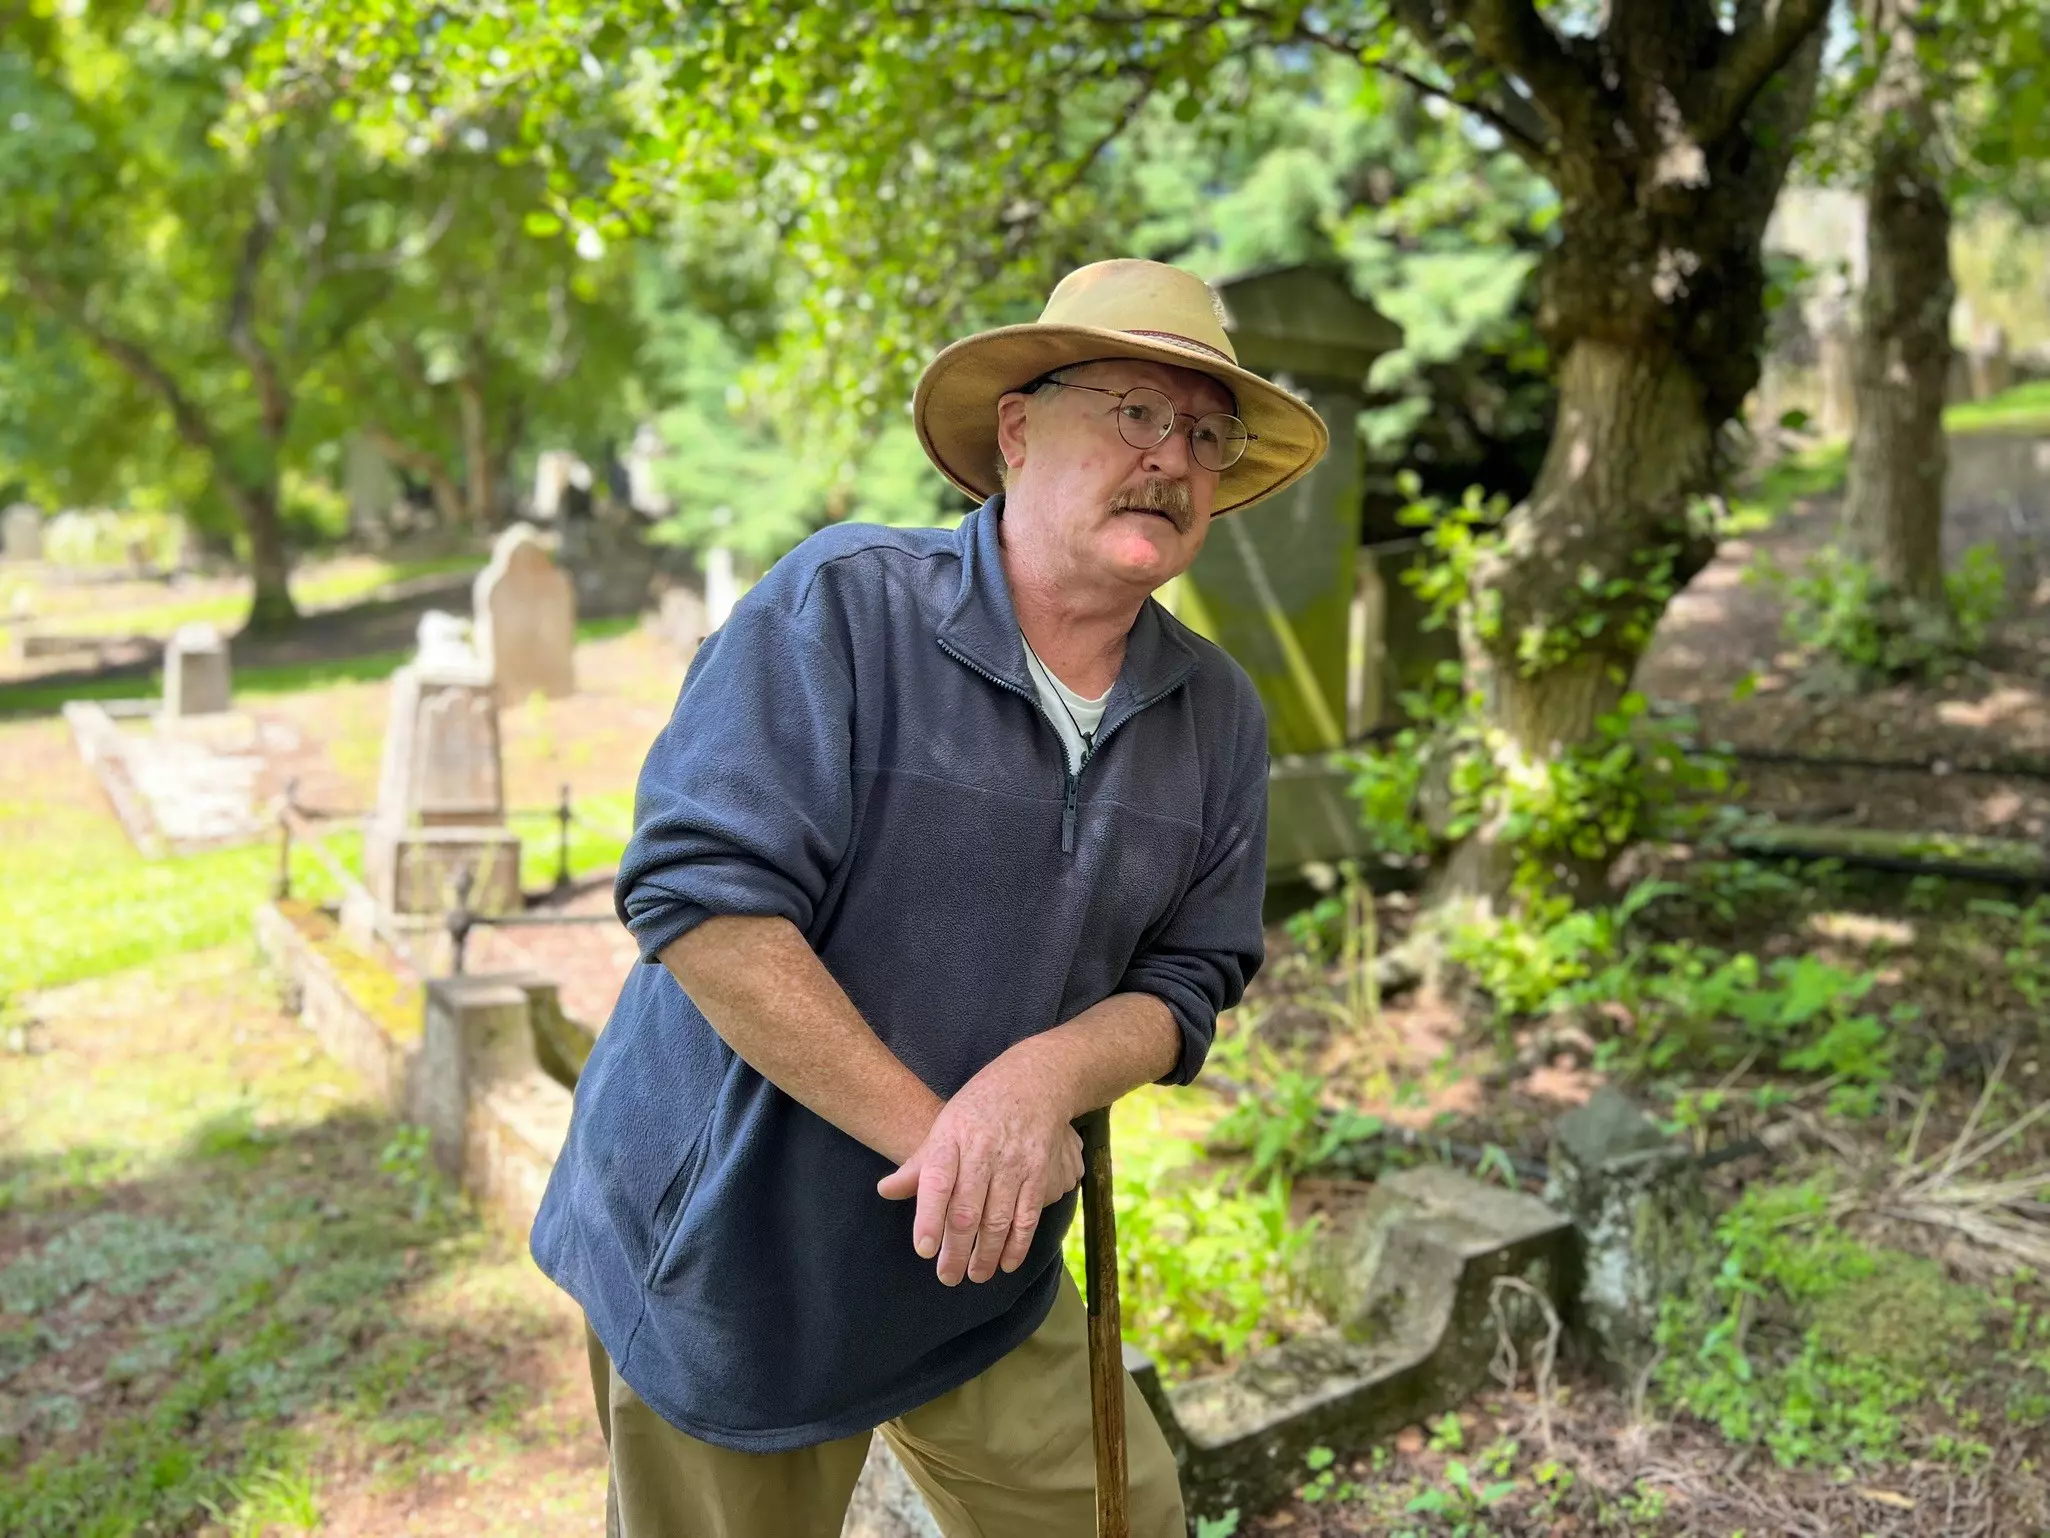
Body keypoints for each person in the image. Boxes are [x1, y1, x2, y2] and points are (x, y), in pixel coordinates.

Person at [533, 258, 1329, 1537]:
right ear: (1017, 432)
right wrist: (943, 1142)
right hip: (733, 1251)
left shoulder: (1212, 710)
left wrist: (1038, 1081)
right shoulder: (845, 606)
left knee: (1124, 1519)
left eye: (1204, 430)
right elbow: (705, 906)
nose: (1172, 457)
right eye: (1134, 411)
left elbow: (1192, 977)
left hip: (980, 1262)